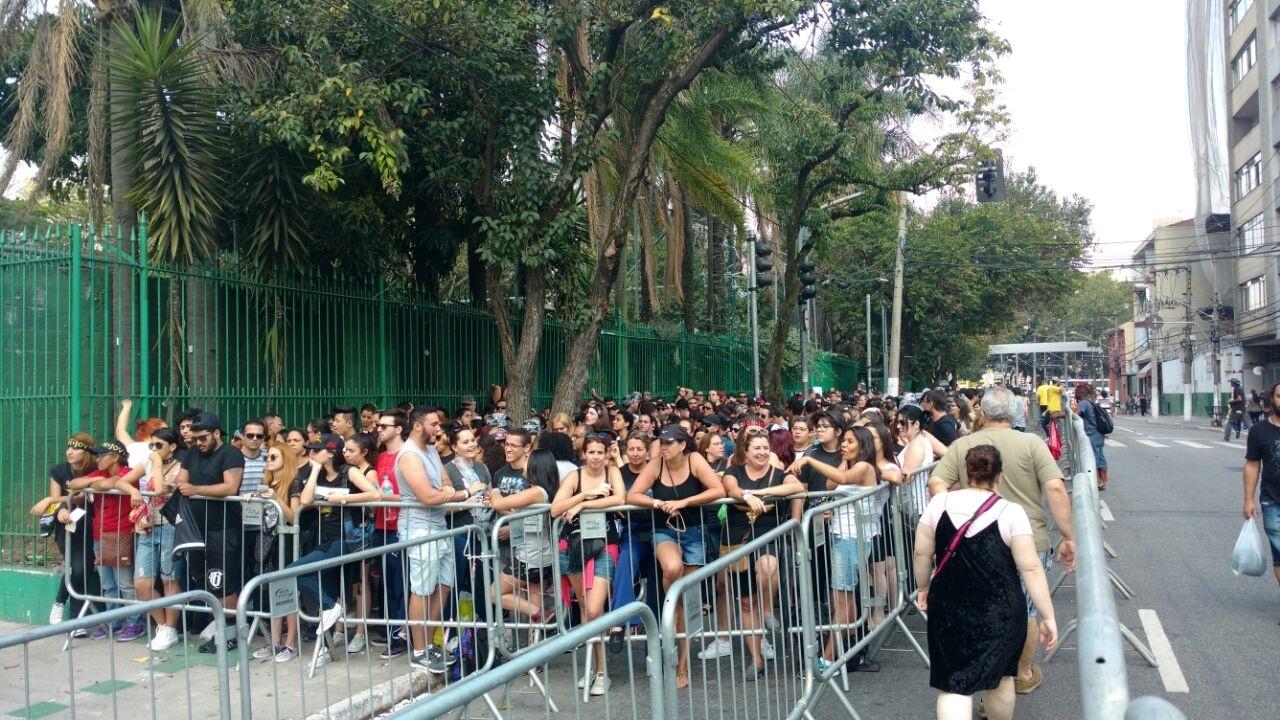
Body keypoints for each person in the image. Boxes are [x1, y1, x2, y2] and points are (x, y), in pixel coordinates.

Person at [927, 387, 1074, 695]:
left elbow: (936, 482)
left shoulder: (964, 444)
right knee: (1025, 609)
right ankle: (1020, 674)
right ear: (1015, 412)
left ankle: (982, 679)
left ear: (983, 411)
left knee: (981, 609)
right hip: (1029, 536)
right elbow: (1055, 489)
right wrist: (1068, 535)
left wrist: (953, 507)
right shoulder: (1032, 443)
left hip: (974, 542)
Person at [915, 445, 1057, 720]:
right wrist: (1047, 615)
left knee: (954, 684)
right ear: (1000, 475)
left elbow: (922, 553)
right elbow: (1031, 568)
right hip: (1000, 610)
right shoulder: (1011, 512)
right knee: (1001, 677)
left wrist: (923, 587)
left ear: (967, 472)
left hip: (949, 605)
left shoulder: (939, 503)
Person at [626, 424, 725, 688]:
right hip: (665, 531)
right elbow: (632, 495)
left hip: (694, 531)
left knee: (689, 602)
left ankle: (682, 666)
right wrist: (656, 503)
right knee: (672, 569)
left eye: (669, 443)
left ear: (682, 445)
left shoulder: (695, 459)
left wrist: (685, 502)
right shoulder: (656, 464)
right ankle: (672, 601)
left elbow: (718, 490)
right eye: (661, 442)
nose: (663, 447)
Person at [789, 426, 881, 671]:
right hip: (844, 537)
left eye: (850, 442)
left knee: (842, 599)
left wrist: (809, 459)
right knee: (843, 598)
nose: (843, 445)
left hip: (852, 539)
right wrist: (844, 460)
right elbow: (831, 484)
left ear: (863, 446)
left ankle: (828, 659)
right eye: (844, 441)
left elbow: (841, 480)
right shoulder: (852, 465)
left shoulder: (865, 467)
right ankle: (845, 651)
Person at [286, 433, 380, 671]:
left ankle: (331, 607)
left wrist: (344, 499)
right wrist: (316, 469)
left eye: (316, 450)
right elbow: (306, 500)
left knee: (295, 571)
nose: (310, 453)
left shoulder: (349, 471)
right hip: (324, 537)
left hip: (344, 539)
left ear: (330, 453)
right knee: (325, 588)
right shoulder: (316, 473)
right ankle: (325, 648)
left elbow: (375, 494)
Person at [720, 430, 803, 679]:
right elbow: (730, 488)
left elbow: (796, 487)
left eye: (766, 448)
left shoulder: (778, 474)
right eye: (756, 448)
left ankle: (767, 610)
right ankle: (756, 661)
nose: (762, 452)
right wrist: (745, 494)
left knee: (767, 566)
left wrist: (763, 493)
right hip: (737, 538)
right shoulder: (734, 471)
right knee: (747, 603)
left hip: (768, 535)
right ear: (745, 452)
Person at [551, 433, 625, 695]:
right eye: (591, 452)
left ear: (606, 454)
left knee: (594, 609)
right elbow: (555, 508)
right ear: (584, 454)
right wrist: (584, 496)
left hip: (604, 544)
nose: (595, 457)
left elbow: (620, 499)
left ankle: (602, 672)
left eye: (600, 452)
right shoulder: (575, 476)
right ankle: (592, 667)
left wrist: (583, 505)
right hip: (572, 545)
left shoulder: (612, 472)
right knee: (584, 607)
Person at [396, 407, 461, 674]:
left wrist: (448, 491)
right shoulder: (409, 455)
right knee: (422, 589)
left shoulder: (431, 450)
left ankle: (430, 645)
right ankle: (419, 651)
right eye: (434, 424)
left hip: (439, 526)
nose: (438, 428)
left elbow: (446, 483)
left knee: (443, 586)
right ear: (417, 426)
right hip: (419, 529)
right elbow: (429, 497)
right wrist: (463, 493)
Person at [176, 412, 246, 652]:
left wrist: (195, 489)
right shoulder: (192, 453)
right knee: (202, 578)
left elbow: (230, 487)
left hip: (223, 527)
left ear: (216, 433)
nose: (199, 442)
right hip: (195, 528)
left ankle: (230, 633)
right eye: (195, 438)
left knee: (221, 581)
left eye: (203, 437)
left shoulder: (231, 453)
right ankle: (220, 627)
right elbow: (181, 481)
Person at [117, 428, 185, 651]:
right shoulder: (149, 462)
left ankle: (170, 628)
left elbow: (160, 489)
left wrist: (156, 465)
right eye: (151, 445)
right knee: (142, 583)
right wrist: (134, 491)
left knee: (169, 580)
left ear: (172, 447)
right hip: (147, 526)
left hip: (170, 526)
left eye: (158, 445)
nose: (153, 450)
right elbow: (121, 482)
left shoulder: (180, 466)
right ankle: (162, 625)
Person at [68, 440, 142, 640]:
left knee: (125, 583)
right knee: (108, 584)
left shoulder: (128, 472)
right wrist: (96, 481)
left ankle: (135, 622)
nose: (97, 459)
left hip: (121, 533)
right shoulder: (99, 473)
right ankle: (113, 621)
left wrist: (95, 483)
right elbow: (73, 484)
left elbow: (105, 485)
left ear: (116, 457)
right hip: (99, 534)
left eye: (102, 455)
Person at [32, 433, 96, 635]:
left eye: (75, 448)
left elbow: (80, 497)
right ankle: (65, 609)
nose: (69, 451)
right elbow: (58, 498)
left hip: (91, 523)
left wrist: (50, 500)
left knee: (83, 569)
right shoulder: (59, 471)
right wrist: (59, 508)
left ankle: (73, 617)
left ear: (85, 452)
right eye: (68, 447)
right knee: (76, 567)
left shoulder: (95, 469)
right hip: (67, 525)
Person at [489, 443, 558, 625]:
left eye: (528, 461)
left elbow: (498, 504)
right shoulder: (542, 490)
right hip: (541, 556)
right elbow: (519, 515)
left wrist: (494, 490)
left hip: (530, 558)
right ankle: (538, 635)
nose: (524, 465)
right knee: (535, 614)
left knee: (494, 593)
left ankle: (541, 613)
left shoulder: (537, 492)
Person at [250, 441, 302, 663]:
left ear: (285, 459)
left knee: (288, 592)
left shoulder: (294, 482)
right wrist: (252, 501)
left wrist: (276, 498)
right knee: (273, 591)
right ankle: (275, 641)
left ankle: (290, 644)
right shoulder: (269, 482)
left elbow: (294, 517)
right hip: (269, 541)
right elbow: (262, 514)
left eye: (273, 457)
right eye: (267, 457)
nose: (268, 461)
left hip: (287, 542)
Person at [1243, 381, 1280, 599]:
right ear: (1272, 399)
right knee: (1279, 553)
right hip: (1272, 501)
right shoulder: (1259, 431)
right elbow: (1252, 465)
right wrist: (1249, 500)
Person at [1074, 384, 1110, 492]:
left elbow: (1075, 415)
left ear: (1081, 393)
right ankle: (1103, 482)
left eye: (1076, 392)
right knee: (1100, 457)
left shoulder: (1084, 403)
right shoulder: (1091, 401)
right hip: (1099, 434)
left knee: (1093, 458)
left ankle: (1097, 482)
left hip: (1092, 434)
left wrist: (1061, 415)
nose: (1075, 394)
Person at [114, 399, 167, 470]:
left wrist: (127, 406)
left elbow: (120, 429)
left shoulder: (131, 446)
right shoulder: (160, 449)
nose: (168, 432)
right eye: (165, 430)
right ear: (155, 431)